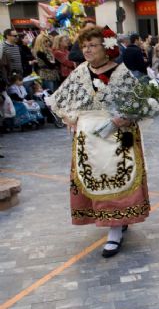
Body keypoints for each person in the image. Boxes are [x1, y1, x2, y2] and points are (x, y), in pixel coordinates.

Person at [46, 26, 151, 258]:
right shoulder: (80, 71)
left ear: (107, 48)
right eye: (84, 46)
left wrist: (120, 119)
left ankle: (115, 230)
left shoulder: (121, 73)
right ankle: (113, 222)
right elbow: (62, 100)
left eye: (93, 45)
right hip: (88, 138)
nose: (87, 50)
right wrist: (70, 117)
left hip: (117, 135)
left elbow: (140, 105)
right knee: (94, 177)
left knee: (118, 176)